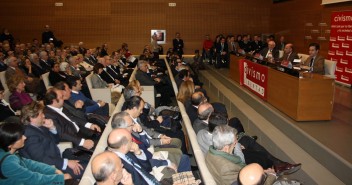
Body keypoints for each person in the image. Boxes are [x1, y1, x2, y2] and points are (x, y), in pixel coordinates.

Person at [19, 101, 88, 180]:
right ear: (32, 118)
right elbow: (41, 160)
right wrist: (66, 162)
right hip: (52, 168)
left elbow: (56, 141)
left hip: (58, 159)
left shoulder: (38, 126)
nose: (44, 115)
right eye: (41, 114)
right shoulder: (29, 136)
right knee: (89, 168)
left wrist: (52, 128)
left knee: (88, 159)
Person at [0, 122, 71, 184]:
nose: (25, 137)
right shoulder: (8, 162)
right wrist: (60, 178)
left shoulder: (8, 153)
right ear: (10, 144)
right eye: (20, 137)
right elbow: (33, 179)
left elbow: (31, 164)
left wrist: (53, 170)